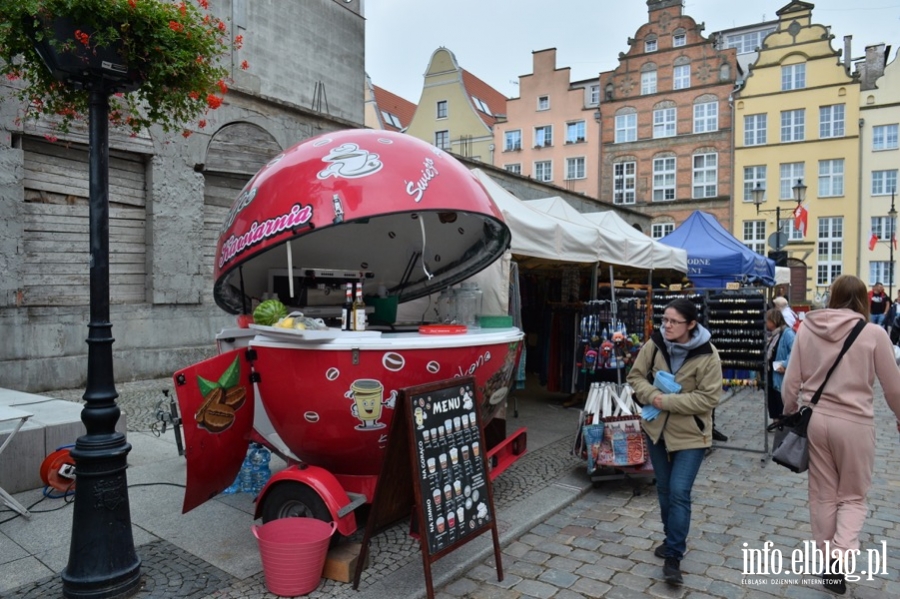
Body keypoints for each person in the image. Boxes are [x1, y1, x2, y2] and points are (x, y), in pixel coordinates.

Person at [781, 274, 900, 595]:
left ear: (832, 297)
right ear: (864, 299)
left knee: (823, 495)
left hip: (817, 421)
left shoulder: (807, 329)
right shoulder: (874, 333)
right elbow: (894, 387)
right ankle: (840, 556)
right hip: (856, 424)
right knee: (853, 496)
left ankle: (826, 561)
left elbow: (791, 383)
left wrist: (791, 412)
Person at [627, 298, 722, 586]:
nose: (666, 326)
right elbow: (635, 376)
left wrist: (665, 400)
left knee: (680, 491)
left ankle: (674, 556)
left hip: (691, 435)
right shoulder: (654, 344)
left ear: (691, 324)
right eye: (664, 320)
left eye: (673, 321)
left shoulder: (708, 354)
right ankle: (672, 538)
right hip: (656, 429)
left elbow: (709, 398)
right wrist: (651, 396)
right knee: (665, 490)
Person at [764, 308, 795, 421]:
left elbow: (795, 351)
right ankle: (777, 423)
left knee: (780, 402)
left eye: (767, 320)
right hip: (771, 375)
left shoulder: (787, 333)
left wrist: (786, 365)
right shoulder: (772, 335)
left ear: (774, 320)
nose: (766, 322)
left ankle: (782, 426)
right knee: (773, 404)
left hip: (780, 375)